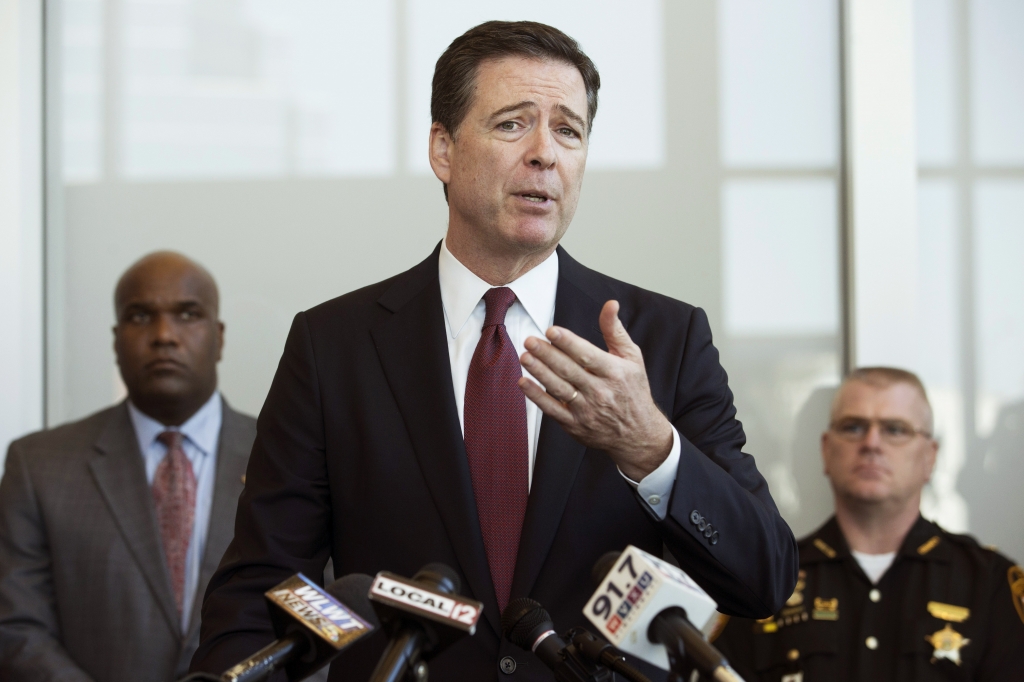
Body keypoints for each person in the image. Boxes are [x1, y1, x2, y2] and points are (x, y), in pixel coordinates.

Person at [192, 21, 797, 680]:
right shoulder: (334, 345)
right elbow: (266, 594)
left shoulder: (665, 340)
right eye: (513, 124)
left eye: (569, 131)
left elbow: (763, 579)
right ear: (443, 150)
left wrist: (652, 449)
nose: (546, 154)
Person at [0, 252, 256, 682]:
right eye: (140, 316)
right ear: (116, 339)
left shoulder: (287, 457)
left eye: (187, 314)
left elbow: (326, 623)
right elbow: (16, 629)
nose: (163, 335)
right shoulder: (38, 466)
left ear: (220, 336)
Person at [715, 367, 1024, 681]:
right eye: (853, 427)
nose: (872, 443)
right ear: (826, 449)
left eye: (895, 430)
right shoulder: (769, 580)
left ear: (930, 457)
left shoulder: (989, 585)